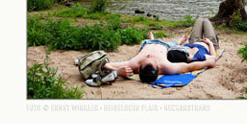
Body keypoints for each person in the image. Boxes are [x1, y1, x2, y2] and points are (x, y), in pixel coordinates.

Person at [86, 30, 216, 86]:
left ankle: (152, 39)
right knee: (171, 46)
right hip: (164, 46)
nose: (148, 56)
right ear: (158, 67)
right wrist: (207, 62)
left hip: (148, 44)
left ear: (139, 67)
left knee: (169, 45)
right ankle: (177, 41)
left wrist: (117, 71)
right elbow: (189, 67)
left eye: (147, 58)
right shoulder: (167, 67)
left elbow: (106, 64)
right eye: (149, 58)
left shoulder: (134, 64)